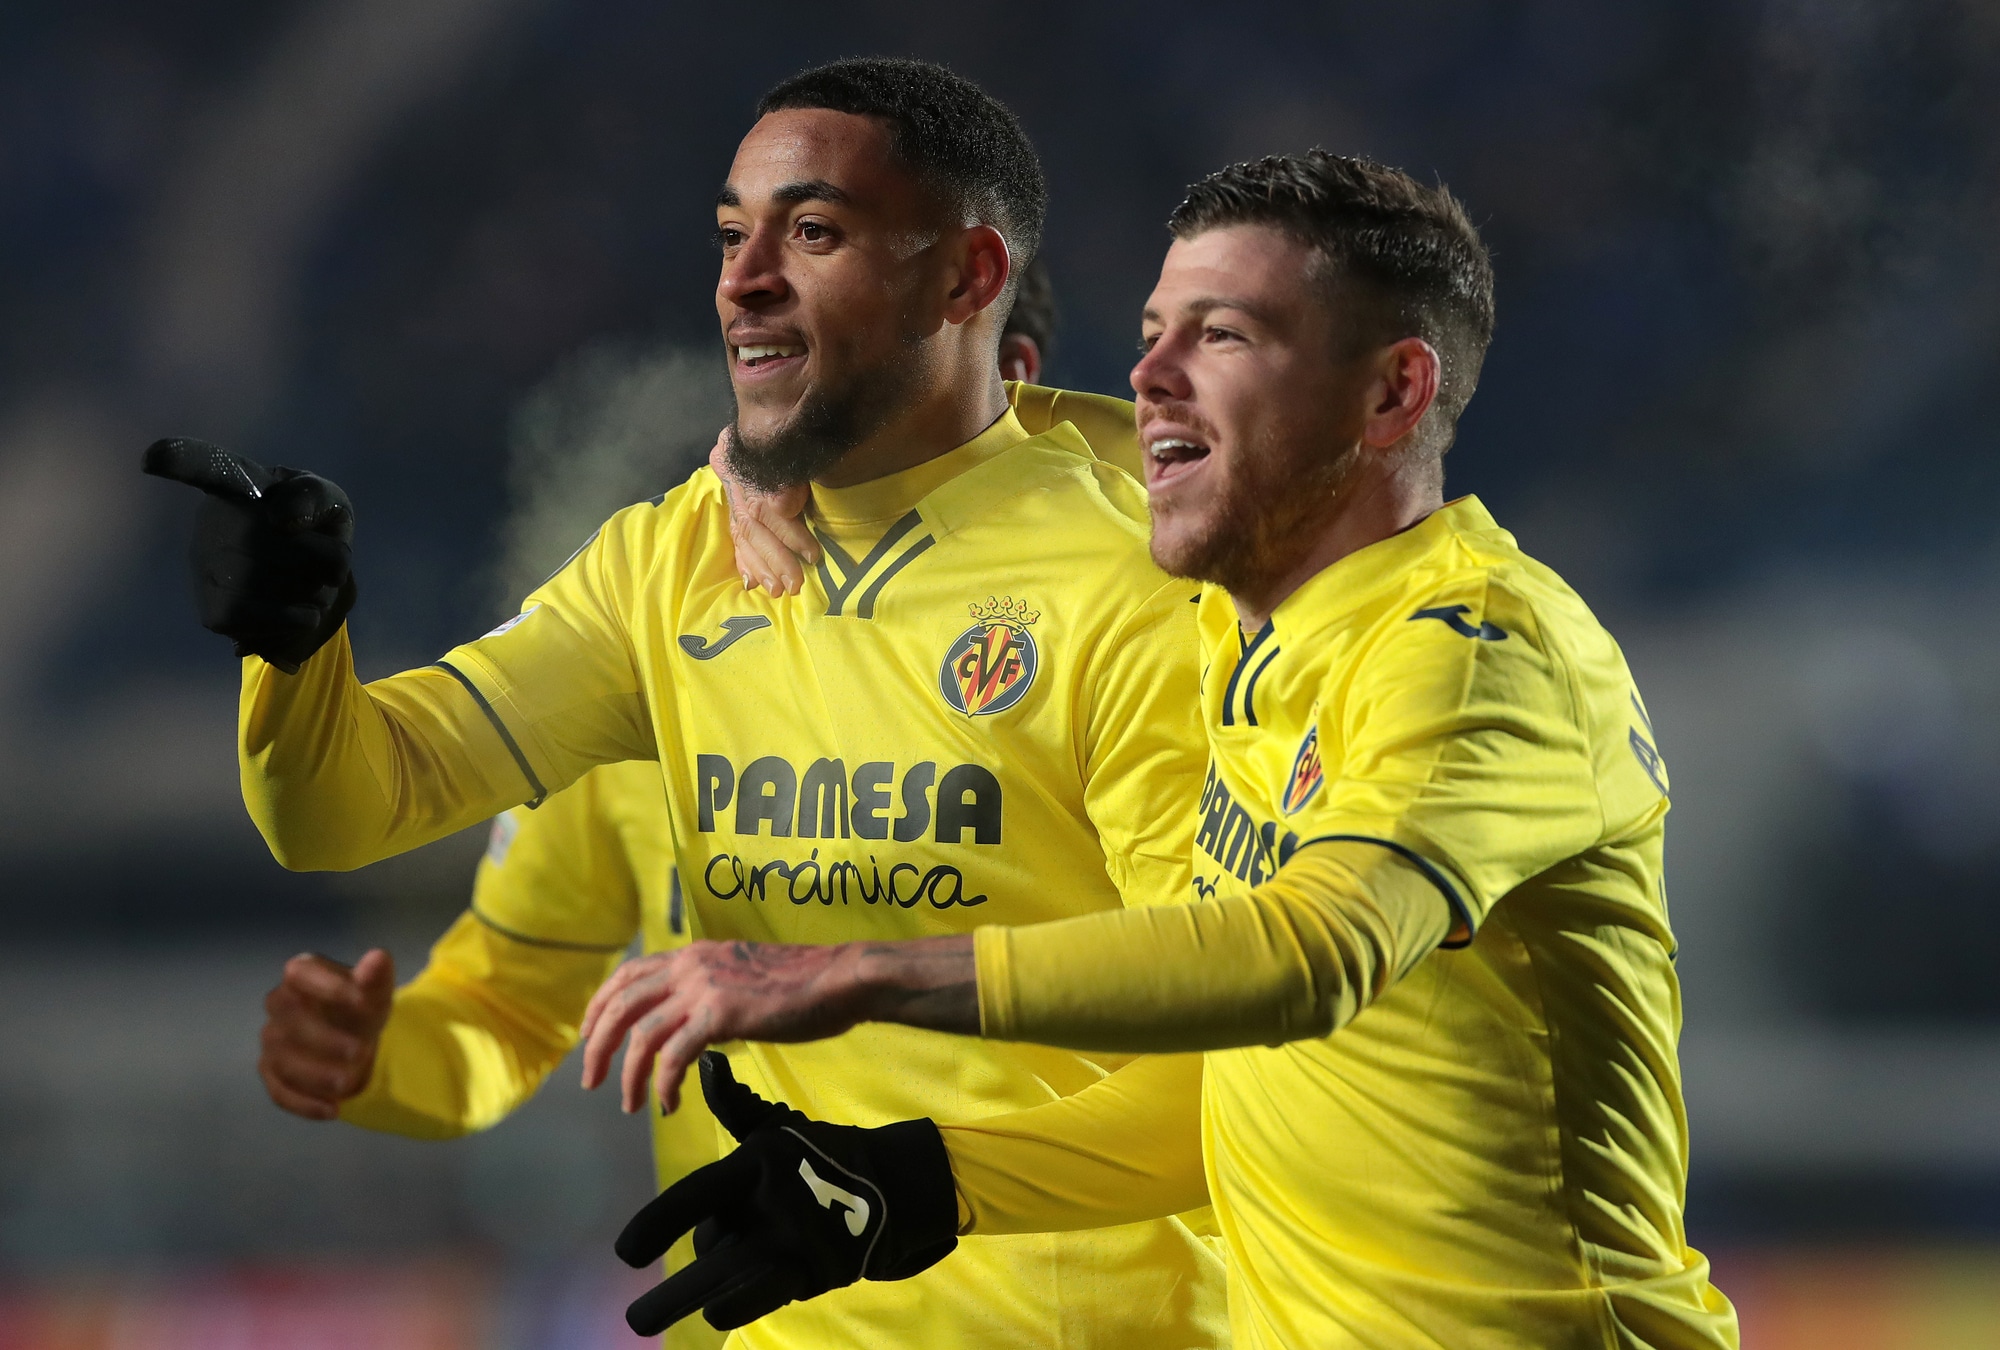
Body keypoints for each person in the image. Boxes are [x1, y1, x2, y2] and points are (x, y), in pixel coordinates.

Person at [580, 151, 1743, 1348]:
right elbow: (1230, 1094)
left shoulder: (1476, 651)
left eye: (1222, 334)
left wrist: (853, 971)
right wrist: (922, 1181)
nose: (1147, 374)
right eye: (1150, 334)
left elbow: (1310, 955)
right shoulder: (1243, 629)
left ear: (1392, 393)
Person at [150, 58, 1225, 1349]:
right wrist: (293, 647)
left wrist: (916, 1181)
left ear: (967, 281)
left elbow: (1249, 1062)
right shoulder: (664, 571)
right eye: (729, 235)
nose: (742, 277)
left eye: (811, 231)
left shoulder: (1147, 590)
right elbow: (345, 817)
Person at [251, 262, 1079, 1350]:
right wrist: (379, 1061)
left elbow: (1234, 1013)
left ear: (1017, 391)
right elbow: (504, 1011)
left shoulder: (1132, 646)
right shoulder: (642, 694)